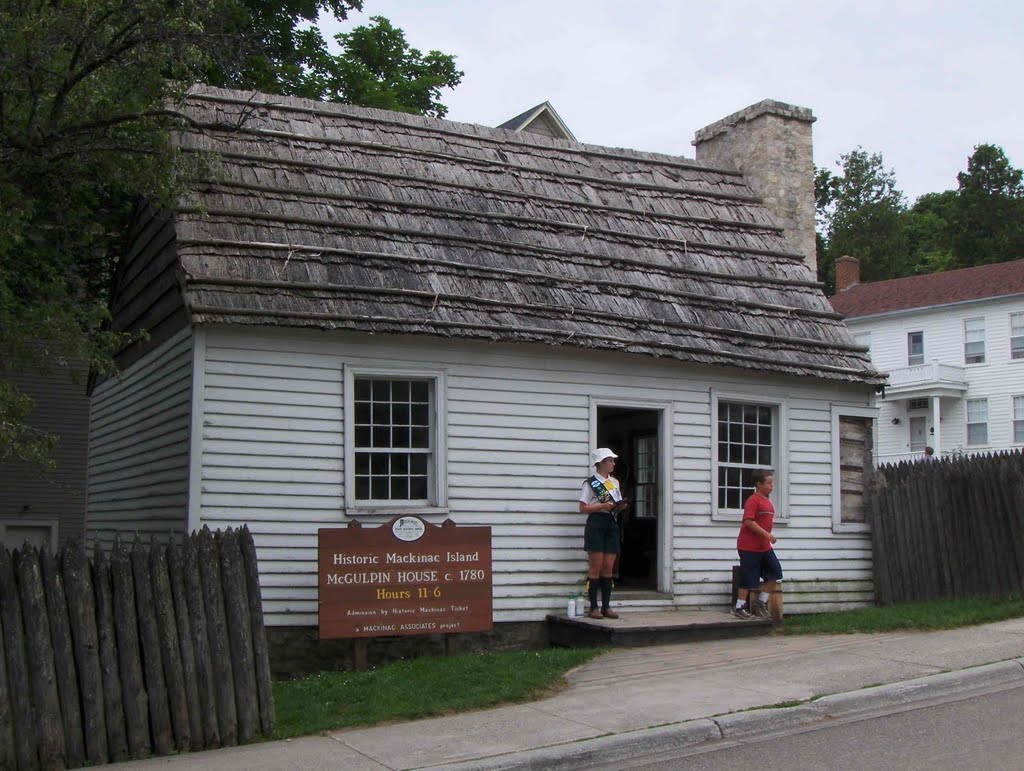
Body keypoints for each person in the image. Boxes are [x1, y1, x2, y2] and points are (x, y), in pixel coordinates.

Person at [578, 448, 627, 619]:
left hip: (611, 521)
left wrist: (619, 506)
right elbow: (583, 507)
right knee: (595, 566)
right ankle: (593, 607)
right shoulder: (590, 483)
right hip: (596, 522)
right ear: (601, 463)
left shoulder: (615, 482)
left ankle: (606, 606)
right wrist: (601, 506)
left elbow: (615, 502)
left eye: (613, 460)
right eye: (610, 461)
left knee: (608, 567)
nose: (613, 463)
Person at [733, 469, 783, 620]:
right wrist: (767, 535)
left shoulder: (767, 502)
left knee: (775, 572)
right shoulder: (753, 500)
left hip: (764, 547)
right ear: (759, 484)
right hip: (749, 546)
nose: (771, 486)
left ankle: (761, 603)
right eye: (768, 483)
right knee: (749, 577)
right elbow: (749, 522)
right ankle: (739, 607)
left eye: (772, 483)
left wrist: (766, 539)